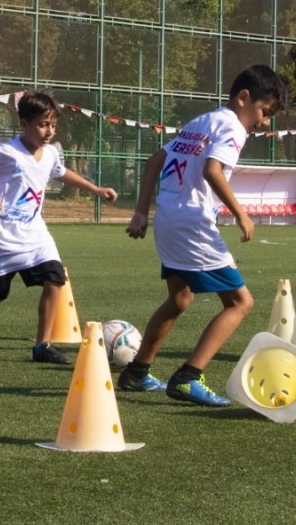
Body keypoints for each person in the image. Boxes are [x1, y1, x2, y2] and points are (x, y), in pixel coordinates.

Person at [115, 64, 287, 407]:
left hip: (168, 218)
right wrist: (240, 213)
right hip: (193, 223)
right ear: (244, 98)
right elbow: (212, 170)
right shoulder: (233, 128)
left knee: (180, 299)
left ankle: (137, 372)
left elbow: (153, 162)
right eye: (265, 112)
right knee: (241, 303)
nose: (264, 122)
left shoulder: (200, 122)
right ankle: (188, 377)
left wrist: (140, 211)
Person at [0, 92, 119, 365]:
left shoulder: (50, 153)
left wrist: (94, 188)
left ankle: (42, 346)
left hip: (35, 235)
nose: (49, 132)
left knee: (56, 278)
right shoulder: (6, 153)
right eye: (43, 125)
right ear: (24, 124)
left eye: (53, 125)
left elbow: (61, 172)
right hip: (2, 236)